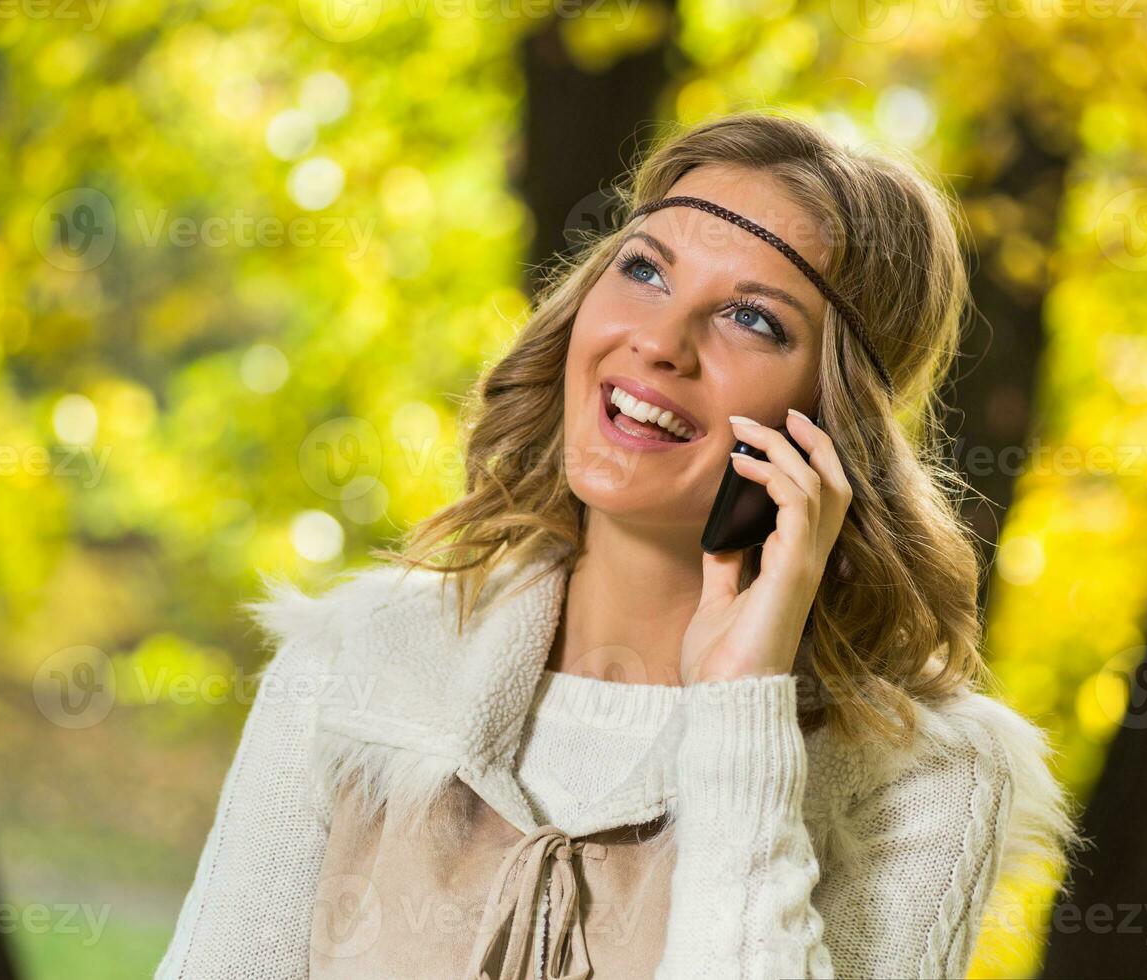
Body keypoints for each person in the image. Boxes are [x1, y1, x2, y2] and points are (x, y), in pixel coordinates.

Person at [156, 109, 1083, 979]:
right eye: (645, 271)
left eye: (752, 319)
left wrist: (740, 715)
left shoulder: (923, 777)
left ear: (832, 423)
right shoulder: (357, 664)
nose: (660, 342)